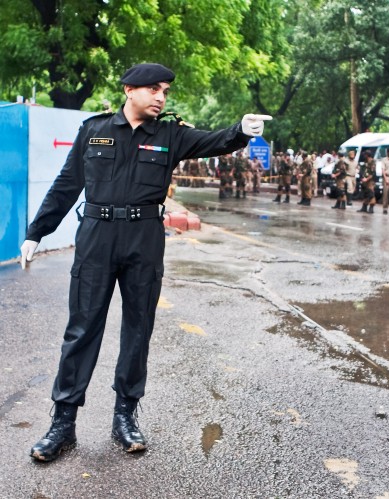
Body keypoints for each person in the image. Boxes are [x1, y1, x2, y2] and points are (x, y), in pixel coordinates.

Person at [19, 63, 271, 462]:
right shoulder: (94, 129)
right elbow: (67, 185)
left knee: (138, 330)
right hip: (97, 239)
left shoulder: (171, 133)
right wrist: (37, 232)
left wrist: (241, 131)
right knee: (81, 331)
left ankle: (125, 417)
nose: (161, 97)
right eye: (154, 89)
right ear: (129, 90)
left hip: (144, 240)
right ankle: (62, 425)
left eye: (166, 91)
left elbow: (215, 141)